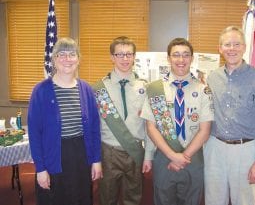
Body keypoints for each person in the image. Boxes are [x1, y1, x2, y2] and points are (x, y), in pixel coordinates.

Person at [204, 26, 255, 205]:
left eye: (237, 44)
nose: (232, 48)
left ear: (244, 47)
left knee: (244, 201)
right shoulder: (212, 77)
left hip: (246, 150)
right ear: (220, 49)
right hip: (215, 148)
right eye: (227, 44)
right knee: (213, 199)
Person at [28, 37, 102, 205]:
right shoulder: (40, 91)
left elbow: (94, 129)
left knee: (80, 198)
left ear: (78, 59)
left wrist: (96, 160)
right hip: (53, 156)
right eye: (61, 54)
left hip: (80, 155)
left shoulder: (86, 89)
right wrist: (40, 169)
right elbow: (34, 134)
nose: (67, 59)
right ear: (54, 59)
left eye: (72, 54)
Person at [140, 38, 214, 205]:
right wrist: (172, 155)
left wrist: (183, 156)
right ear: (168, 58)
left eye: (186, 55)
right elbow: (150, 127)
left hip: (193, 157)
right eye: (176, 55)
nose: (181, 60)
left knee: (191, 200)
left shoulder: (203, 90)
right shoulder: (154, 88)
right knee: (163, 200)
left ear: (192, 58)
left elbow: (205, 130)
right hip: (165, 156)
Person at [93, 36, 154, 205]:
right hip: (109, 152)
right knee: (107, 197)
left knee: (134, 198)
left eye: (129, 54)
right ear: (112, 57)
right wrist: (95, 158)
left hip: (135, 150)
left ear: (134, 57)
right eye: (120, 54)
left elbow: (150, 126)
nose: (125, 59)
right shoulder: (99, 89)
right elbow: (93, 127)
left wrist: (148, 155)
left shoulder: (145, 87)